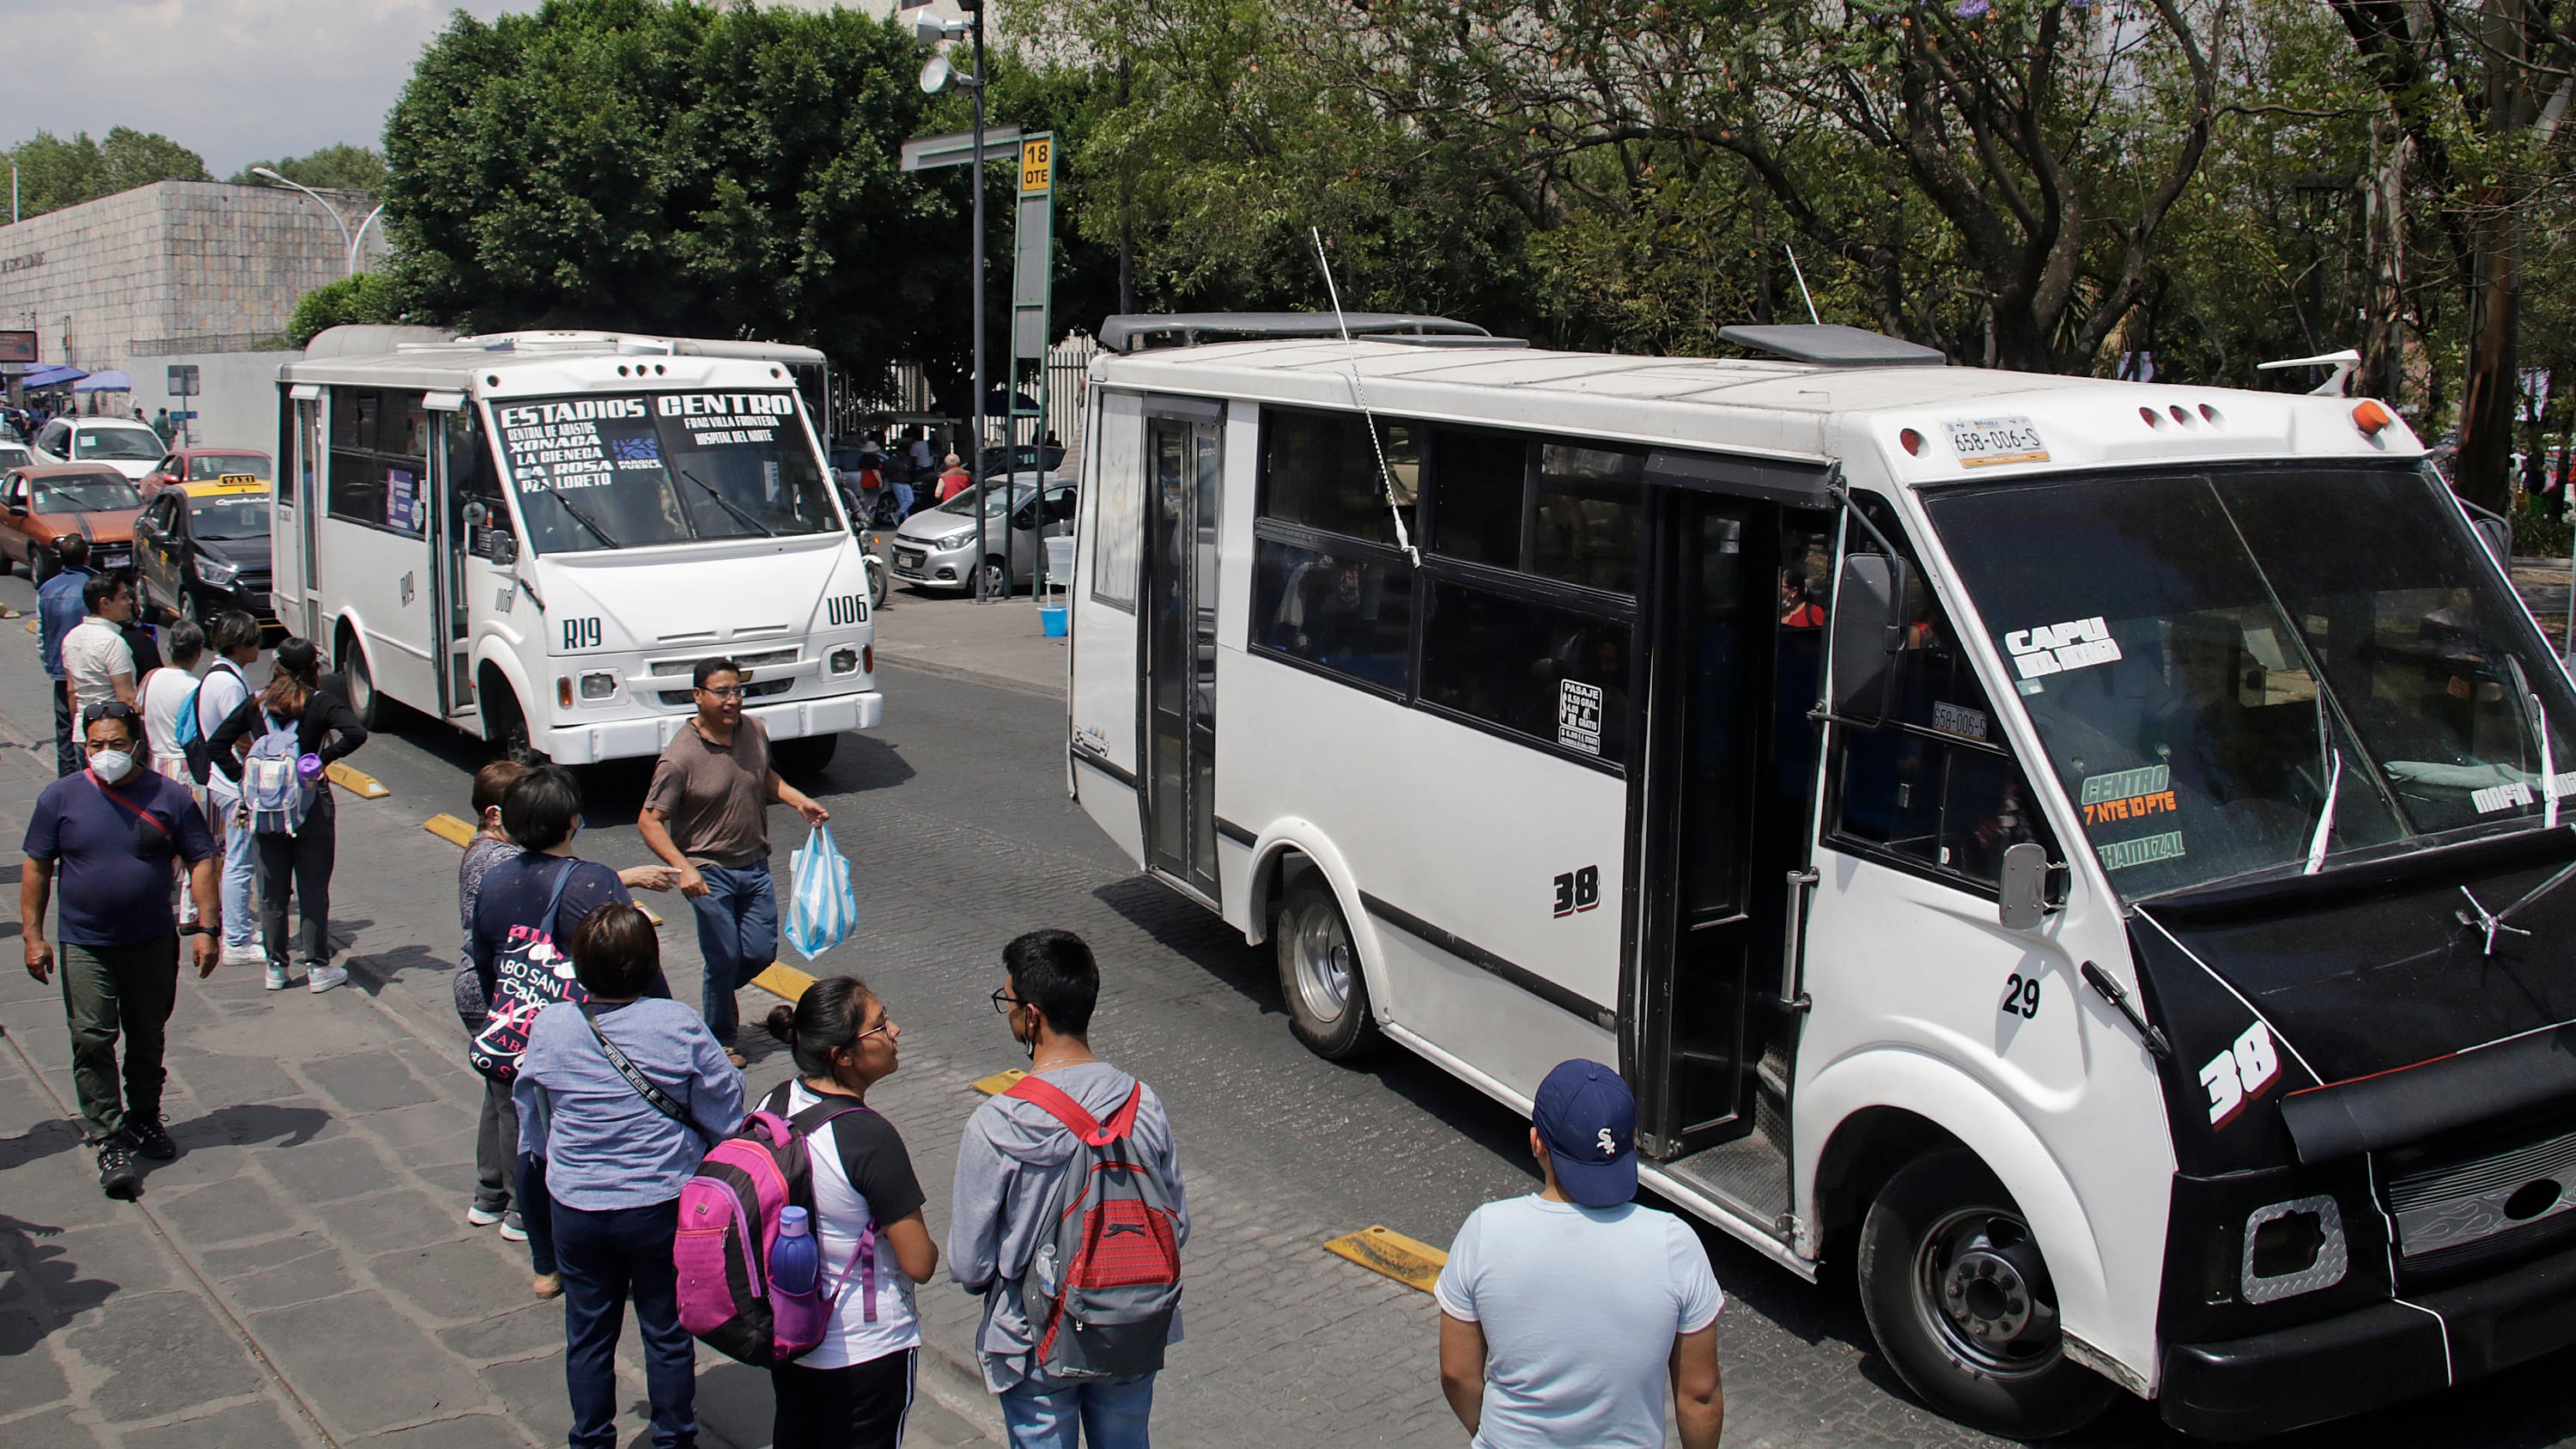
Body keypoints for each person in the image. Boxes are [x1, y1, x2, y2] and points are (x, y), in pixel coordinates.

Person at [515, 901, 743, 1449]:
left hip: (576, 1206)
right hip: (660, 1203)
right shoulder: (678, 1022)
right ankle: (673, 1437)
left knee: (588, 1332)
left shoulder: (552, 1025)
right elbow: (726, 1109)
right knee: (666, 1329)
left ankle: (591, 1438)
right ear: (649, 963)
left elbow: (531, 1117)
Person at [951, 928, 1188, 1448]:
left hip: (1035, 1339)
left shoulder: (998, 1123)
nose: (1008, 1013)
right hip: (1129, 1329)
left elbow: (969, 1266)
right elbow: (1177, 1224)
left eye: (1007, 1001)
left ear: (1031, 1016)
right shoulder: (1143, 1103)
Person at [1433, 1059, 1724, 1449]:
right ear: (1631, 1140)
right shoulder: (1675, 1244)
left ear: (1537, 1142)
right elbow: (1700, 1393)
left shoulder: (1485, 1231)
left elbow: (1457, 1374)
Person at [460, 762, 672, 1273]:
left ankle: (544, 1262)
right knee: (584, 1143)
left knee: (533, 1140)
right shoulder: (593, 881)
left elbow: (488, 961)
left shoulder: (494, 880)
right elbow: (634, 962)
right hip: (584, 1034)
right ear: (573, 820)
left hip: (522, 1032)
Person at [21, 701, 220, 1199]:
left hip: (150, 941)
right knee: (91, 1037)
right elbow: (37, 868)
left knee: (147, 1033)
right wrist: (33, 936)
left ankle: (145, 1117)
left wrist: (206, 928)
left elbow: (201, 859)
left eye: (114, 744)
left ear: (136, 745)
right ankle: (107, 1135)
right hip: (85, 943)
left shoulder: (170, 797)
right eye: (95, 745)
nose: (105, 753)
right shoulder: (59, 798)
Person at [758, 977, 939, 1449]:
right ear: (842, 1056)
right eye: (878, 1026)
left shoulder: (773, 1104)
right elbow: (920, 1263)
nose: (894, 1030)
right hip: (865, 1353)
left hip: (792, 1336)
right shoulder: (869, 1138)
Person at [636, 655, 829, 1065]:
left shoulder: (754, 731)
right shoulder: (680, 757)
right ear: (697, 696)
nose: (732, 700)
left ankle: (719, 993)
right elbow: (650, 821)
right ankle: (719, 1038)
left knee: (760, 953)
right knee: (723, 956)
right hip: (708, 871)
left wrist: (798, 801)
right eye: (722, 692)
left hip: (755, 864)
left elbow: (761, 776)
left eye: (737, 691)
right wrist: (684, 868)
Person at [206, 639, 367, 993]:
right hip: (310, 806)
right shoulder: (319, 702)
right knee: (312, 888)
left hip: (264, 808)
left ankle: (276, 967)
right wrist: (321, 761)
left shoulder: (257, 702)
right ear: (314, 668)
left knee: (271, 891)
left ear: (276, 666)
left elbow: (216, 744)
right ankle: (317, 967)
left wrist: (243, 777)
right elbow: (356, 733)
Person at [195, 612, 264, 967]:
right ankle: (236, 940)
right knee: (239, 862)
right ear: (238, 645)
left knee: (237, 860)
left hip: (222, 781)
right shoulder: (229, 685)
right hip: (232, 785)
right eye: (253, 641)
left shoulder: (220, 675)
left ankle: (241, 929)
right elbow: (239, 736)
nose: (258, 647)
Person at [36, 534, 97, 776]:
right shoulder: (94, 585)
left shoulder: (46, 589)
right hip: (91, 670)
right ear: (87, 556)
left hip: (61, 671)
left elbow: (41, 635)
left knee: (64, 728)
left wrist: (50, 664)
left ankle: (68, 778)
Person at [61, 571, 138, 731]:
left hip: (84, 733)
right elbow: (126, 698)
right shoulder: (113, 642)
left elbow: (71, 691)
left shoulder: (71, 638)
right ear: (105, 603)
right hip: (111, 735)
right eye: (123, 597)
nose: (130, 602)